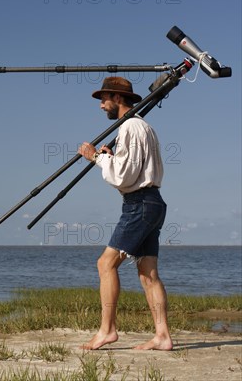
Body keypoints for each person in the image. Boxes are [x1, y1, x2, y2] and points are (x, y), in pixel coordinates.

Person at [77, 76, 173, 351]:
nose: (101, 106)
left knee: (105, 264)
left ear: (118, 99)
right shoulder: (144, 127)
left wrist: (96, 156)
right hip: (152, 201)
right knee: (148, 273)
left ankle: (107, 331)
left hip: (139, 204)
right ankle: (162, 336)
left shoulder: (130, 126)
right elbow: (132, 167)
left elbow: (123, 176)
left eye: (104, 99)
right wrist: (111, 155)